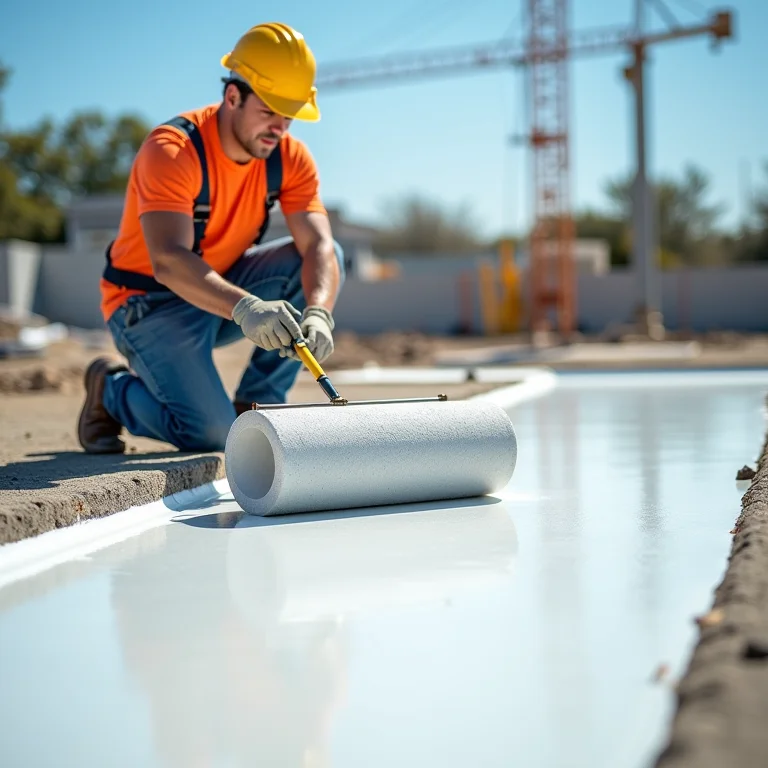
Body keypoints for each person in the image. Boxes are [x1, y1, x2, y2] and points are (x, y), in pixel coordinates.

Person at [77, 22, 345, 455]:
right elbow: (166, 259)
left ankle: (257, 406)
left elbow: (317, 247)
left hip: (217, 294)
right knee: (210, 435)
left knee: (331, 255)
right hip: (147, 305)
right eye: (269, 111)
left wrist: (318, 313)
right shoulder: (172, 150)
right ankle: (110, 389)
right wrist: (247, 307)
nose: (280, 128)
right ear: (233, 96)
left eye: (289, 115)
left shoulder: (289, 158)